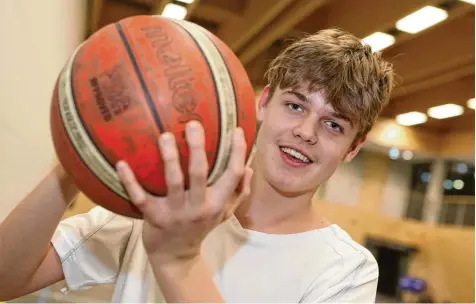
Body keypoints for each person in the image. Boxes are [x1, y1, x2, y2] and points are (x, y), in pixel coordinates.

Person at [0, 28, 394, 303]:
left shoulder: (345, 270)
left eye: (333, 124)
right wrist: (77, 157)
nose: (306, 132)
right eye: (295, 105)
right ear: (264, 101)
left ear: (353, 148)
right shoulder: (166, 198)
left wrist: (179, 260)